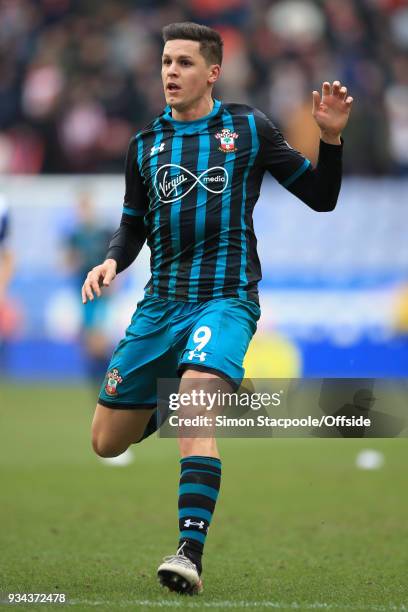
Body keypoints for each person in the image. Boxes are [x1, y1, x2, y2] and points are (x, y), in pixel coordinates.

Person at [82, 22, 353, 595]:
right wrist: (111, 261)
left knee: (194, 404)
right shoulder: (145, 144)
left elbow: (322, 198)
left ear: (212, 72)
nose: (170, 73)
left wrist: (330, 141)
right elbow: (133, 223)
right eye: (165, 62)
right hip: (159, 307)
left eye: (183, 63)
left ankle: (189, 552)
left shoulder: (247, 128)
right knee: (106, 440)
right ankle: (166, 394)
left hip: (226, 300)